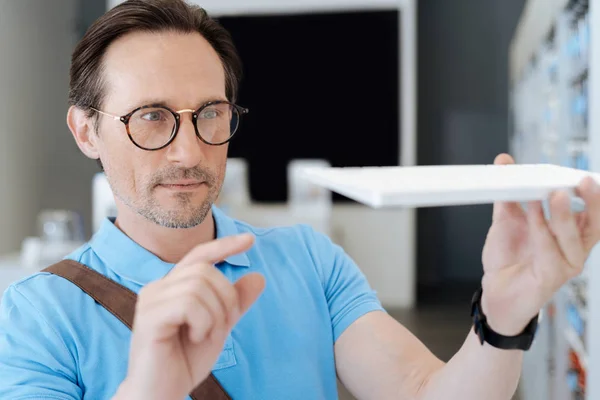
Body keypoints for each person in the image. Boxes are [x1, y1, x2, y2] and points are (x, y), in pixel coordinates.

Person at [1, 0, 598, 399]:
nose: (187, 151)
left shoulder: (308, 261)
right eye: (151, 118)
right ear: (86, 131)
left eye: (210, 113)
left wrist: (501, 320)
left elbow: (424, 388)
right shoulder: (36, 316)